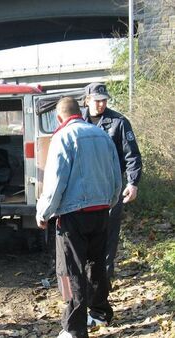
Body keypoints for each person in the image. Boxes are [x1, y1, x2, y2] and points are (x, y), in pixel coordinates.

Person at [35, 97, 122, 338]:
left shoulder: (62, 138)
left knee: (72, 271)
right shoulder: (102, 135)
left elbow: (54, 185)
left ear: (59, 117)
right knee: (97, 265)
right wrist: (109, 203)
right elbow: (117, 177)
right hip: (102, 211)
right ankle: (100, 312)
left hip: (73, 216)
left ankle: (74, 329)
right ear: (80, 112)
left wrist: (43, 213)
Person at [83, 83, 142, 285]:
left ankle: (104, 278)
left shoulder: (119, 122)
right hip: (83, 188)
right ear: (87, 100)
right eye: (97, 100)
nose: (101, 104)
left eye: (104, 100)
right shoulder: (76, 122)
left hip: (111, 187)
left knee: (108, 232)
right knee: (85, 232)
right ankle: (86, 277)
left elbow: (132, 155)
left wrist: (132, 183)